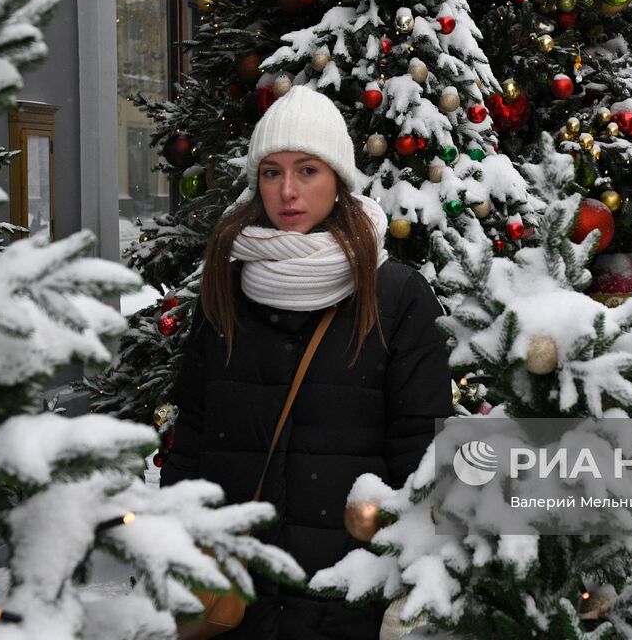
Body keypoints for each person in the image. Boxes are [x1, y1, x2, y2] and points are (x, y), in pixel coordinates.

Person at [162, 86, 452, 638]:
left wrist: (404, 576)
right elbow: (194, 431)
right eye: (271, 173)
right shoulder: (228, 284)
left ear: (338, 179)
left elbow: (422, 450)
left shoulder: (394, 295)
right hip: (236, 594)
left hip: (344, 593)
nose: (287, 191)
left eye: (307, 171)